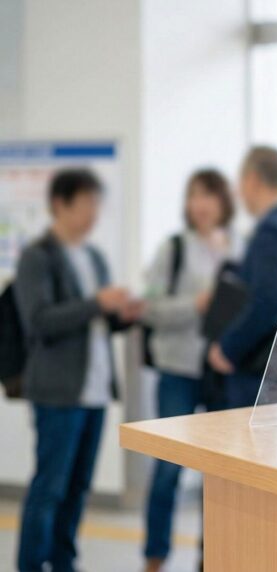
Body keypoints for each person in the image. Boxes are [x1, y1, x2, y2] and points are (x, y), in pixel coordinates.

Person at [14, 168, 143, 572]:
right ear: (60, 205)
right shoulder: (38, 257)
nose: (93, 214)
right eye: (85, 204)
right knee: (49, 487)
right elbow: (38, 320)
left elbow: (101, 321)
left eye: (97, 205)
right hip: (57, 391)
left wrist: (124, 314)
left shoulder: (94, 256)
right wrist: (96, 304)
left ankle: (65, 561)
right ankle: (32, 564)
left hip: (96, 390)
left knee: (78, 488)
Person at [141, 169, 235, 572]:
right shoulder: (173, 249)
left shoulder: (240, 249)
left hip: (223, 373)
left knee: (217, 473)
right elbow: (149, 307)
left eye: (209, 195)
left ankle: (209, 556)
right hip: (178, 370)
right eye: (194, 194)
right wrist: (194, 304)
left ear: (223, 201)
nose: (201, 203)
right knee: (167, 469)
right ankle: (155, 556)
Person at [207, 146, 277, 409]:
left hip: (264, 373)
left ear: (252, 180)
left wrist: (227, 348)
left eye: (240, 182)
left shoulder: (271, 232)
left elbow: (269, 301)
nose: (239, 192)